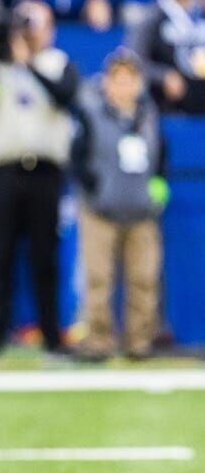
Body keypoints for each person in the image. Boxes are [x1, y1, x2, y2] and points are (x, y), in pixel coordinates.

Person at [0, 1, 78, 360]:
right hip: (3, 170)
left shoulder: (57, 63)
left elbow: (64, 96)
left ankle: (52, 339)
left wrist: (27, 62)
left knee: (44, 259)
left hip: (45, 171)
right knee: (0, 259)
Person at [73, 48, 167, 361]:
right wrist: (95, 190)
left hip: (141, 212)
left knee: (144, 278)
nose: (125, 87)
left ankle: (139, 343)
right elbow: (77, 157)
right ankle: (99, 342)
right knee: (99, 278)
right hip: (101, 211)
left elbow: (161, 155)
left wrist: (157, 186)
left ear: (139, 83)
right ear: (108, 83)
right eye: (119, 80)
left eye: (130, 80)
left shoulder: (149, 115)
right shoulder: (91, 111)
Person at [129, 0, 205, 114]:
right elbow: (133, 62)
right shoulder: (149, 18)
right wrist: (163, 77)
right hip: (166, 112)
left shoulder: (201, 14)